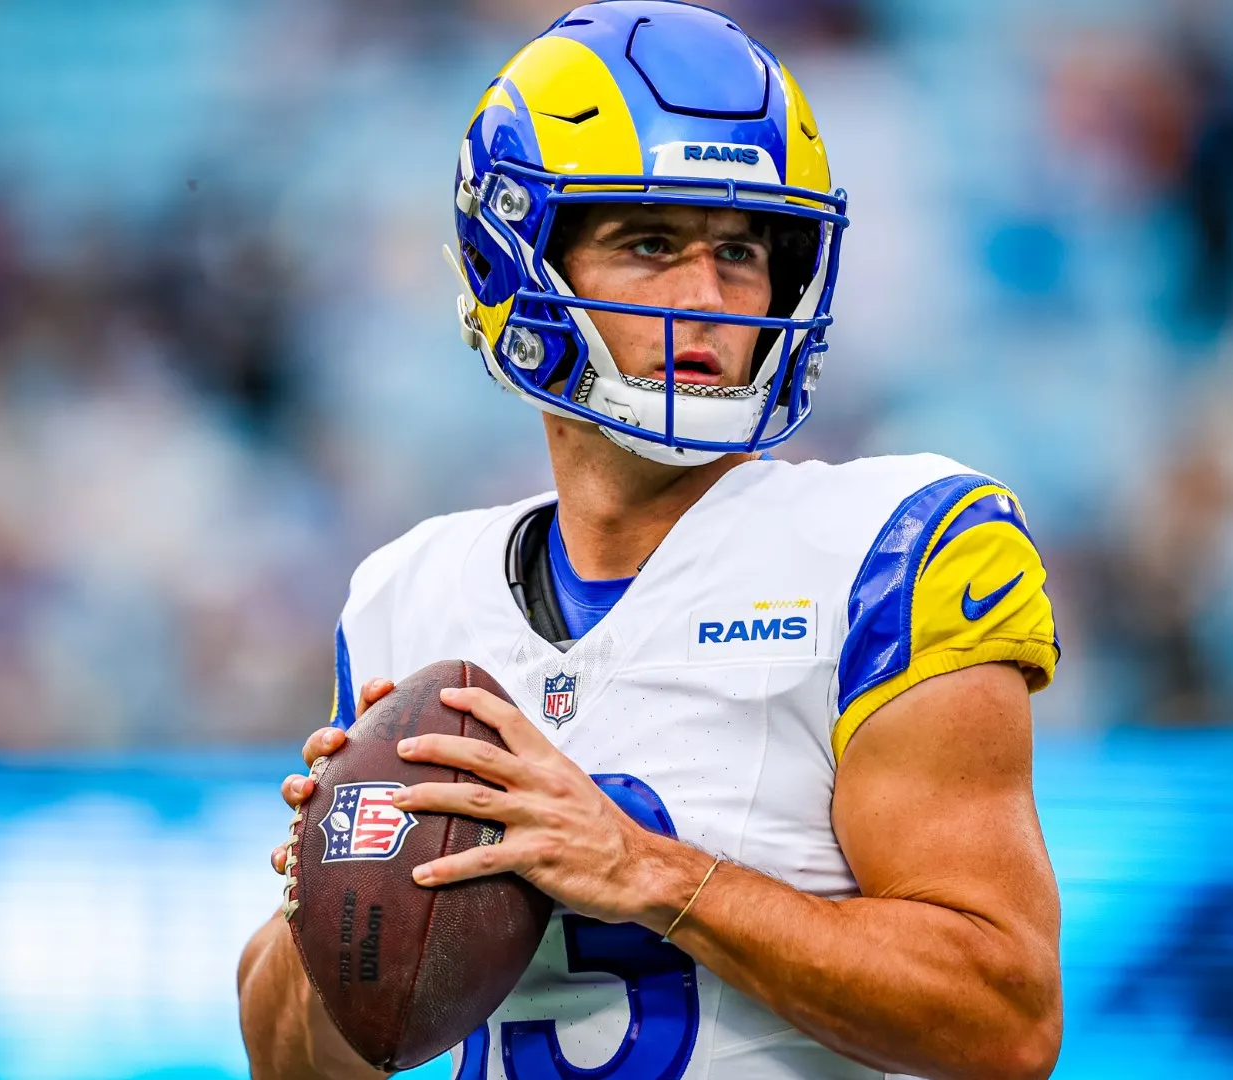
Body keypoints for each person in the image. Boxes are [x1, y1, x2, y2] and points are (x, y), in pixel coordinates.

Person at [237, 3, 1064, 1077]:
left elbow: (1006, 1018)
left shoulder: (893, 553)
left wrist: (653, 876)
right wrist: (339, 900)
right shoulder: (412, 593)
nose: (707, 299)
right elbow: (299, 1065)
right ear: (518, 261)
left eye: (740, 253)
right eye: (648, 245)